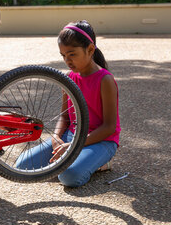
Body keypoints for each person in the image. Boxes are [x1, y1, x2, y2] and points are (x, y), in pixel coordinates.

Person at [15, 20, 120, 187]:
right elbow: (65, 116)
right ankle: (79, 159)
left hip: (101, 142)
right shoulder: (69, 78)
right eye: (63, 55)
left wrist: (73, 146)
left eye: (72, 54)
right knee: (22, 166)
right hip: (70, 138)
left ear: (90, 49)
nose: (67, 61)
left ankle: (100, 163)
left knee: (68, 176)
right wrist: (56, 137)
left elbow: (109, 127)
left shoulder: (105, 79)